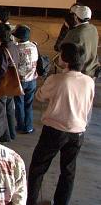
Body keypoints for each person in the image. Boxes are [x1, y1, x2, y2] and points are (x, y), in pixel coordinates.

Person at [27, 43, 95, 205]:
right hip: (77, 132)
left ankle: (31, 201)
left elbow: (40, 96)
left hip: (54, 131)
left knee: (37, 169)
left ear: (65, 60)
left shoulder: (56, 79)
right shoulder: (89, 81)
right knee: (68, 172)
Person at [12, 25, 38, 134]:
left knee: (19, 103)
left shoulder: (16, 49)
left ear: (18, 38)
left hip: (20, 80)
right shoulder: (33, 46)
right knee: (29, 103)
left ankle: (21, 126)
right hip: (32, 80)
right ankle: (29, 126)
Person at [60, 4, 99, 78]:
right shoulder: (94, 28)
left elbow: (62, 48)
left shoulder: (74, 33)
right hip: (92, 69)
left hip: (80, 72)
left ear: (75, 17)